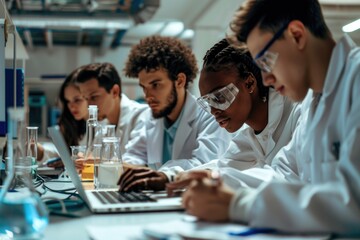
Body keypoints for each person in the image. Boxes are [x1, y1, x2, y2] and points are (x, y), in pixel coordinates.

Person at [181, 0, 360, 236]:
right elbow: (284, 173)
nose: (265, 80)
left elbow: (354, 204)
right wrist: (217, 184)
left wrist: (239, 205)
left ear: (296, 35)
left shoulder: (355, 82)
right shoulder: (314, 102)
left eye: (265, 62)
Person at [167, 38, 300, 191]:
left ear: (249, 83)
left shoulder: (297, 113)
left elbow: (287, 176)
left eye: (219, 97)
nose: (213, 111)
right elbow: (223, 166)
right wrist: (169, 177)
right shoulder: (250, 133)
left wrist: (214, 179)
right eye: (208, 102)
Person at [118, 36, 232, 192]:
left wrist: (163, 174)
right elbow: (134, 155)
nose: (147, 96)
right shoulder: (151, 117)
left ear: (179, 81)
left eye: (155, 85)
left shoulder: (210, 114)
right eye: (144, 87)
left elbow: (206, 164)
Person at [75, 62, 148, 154]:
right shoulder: (102, 124)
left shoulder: (141, 116)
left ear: (114, 91)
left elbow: (135, 161)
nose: (89, 106)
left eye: (94, 97)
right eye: (86, 98)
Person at [37, 67, 88, 167]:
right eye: (68, 101)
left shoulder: (102, 125)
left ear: (89, 97)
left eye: (77, 100)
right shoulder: (72, 124)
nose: (71, 106)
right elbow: (61, 154)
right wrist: (40, 151)